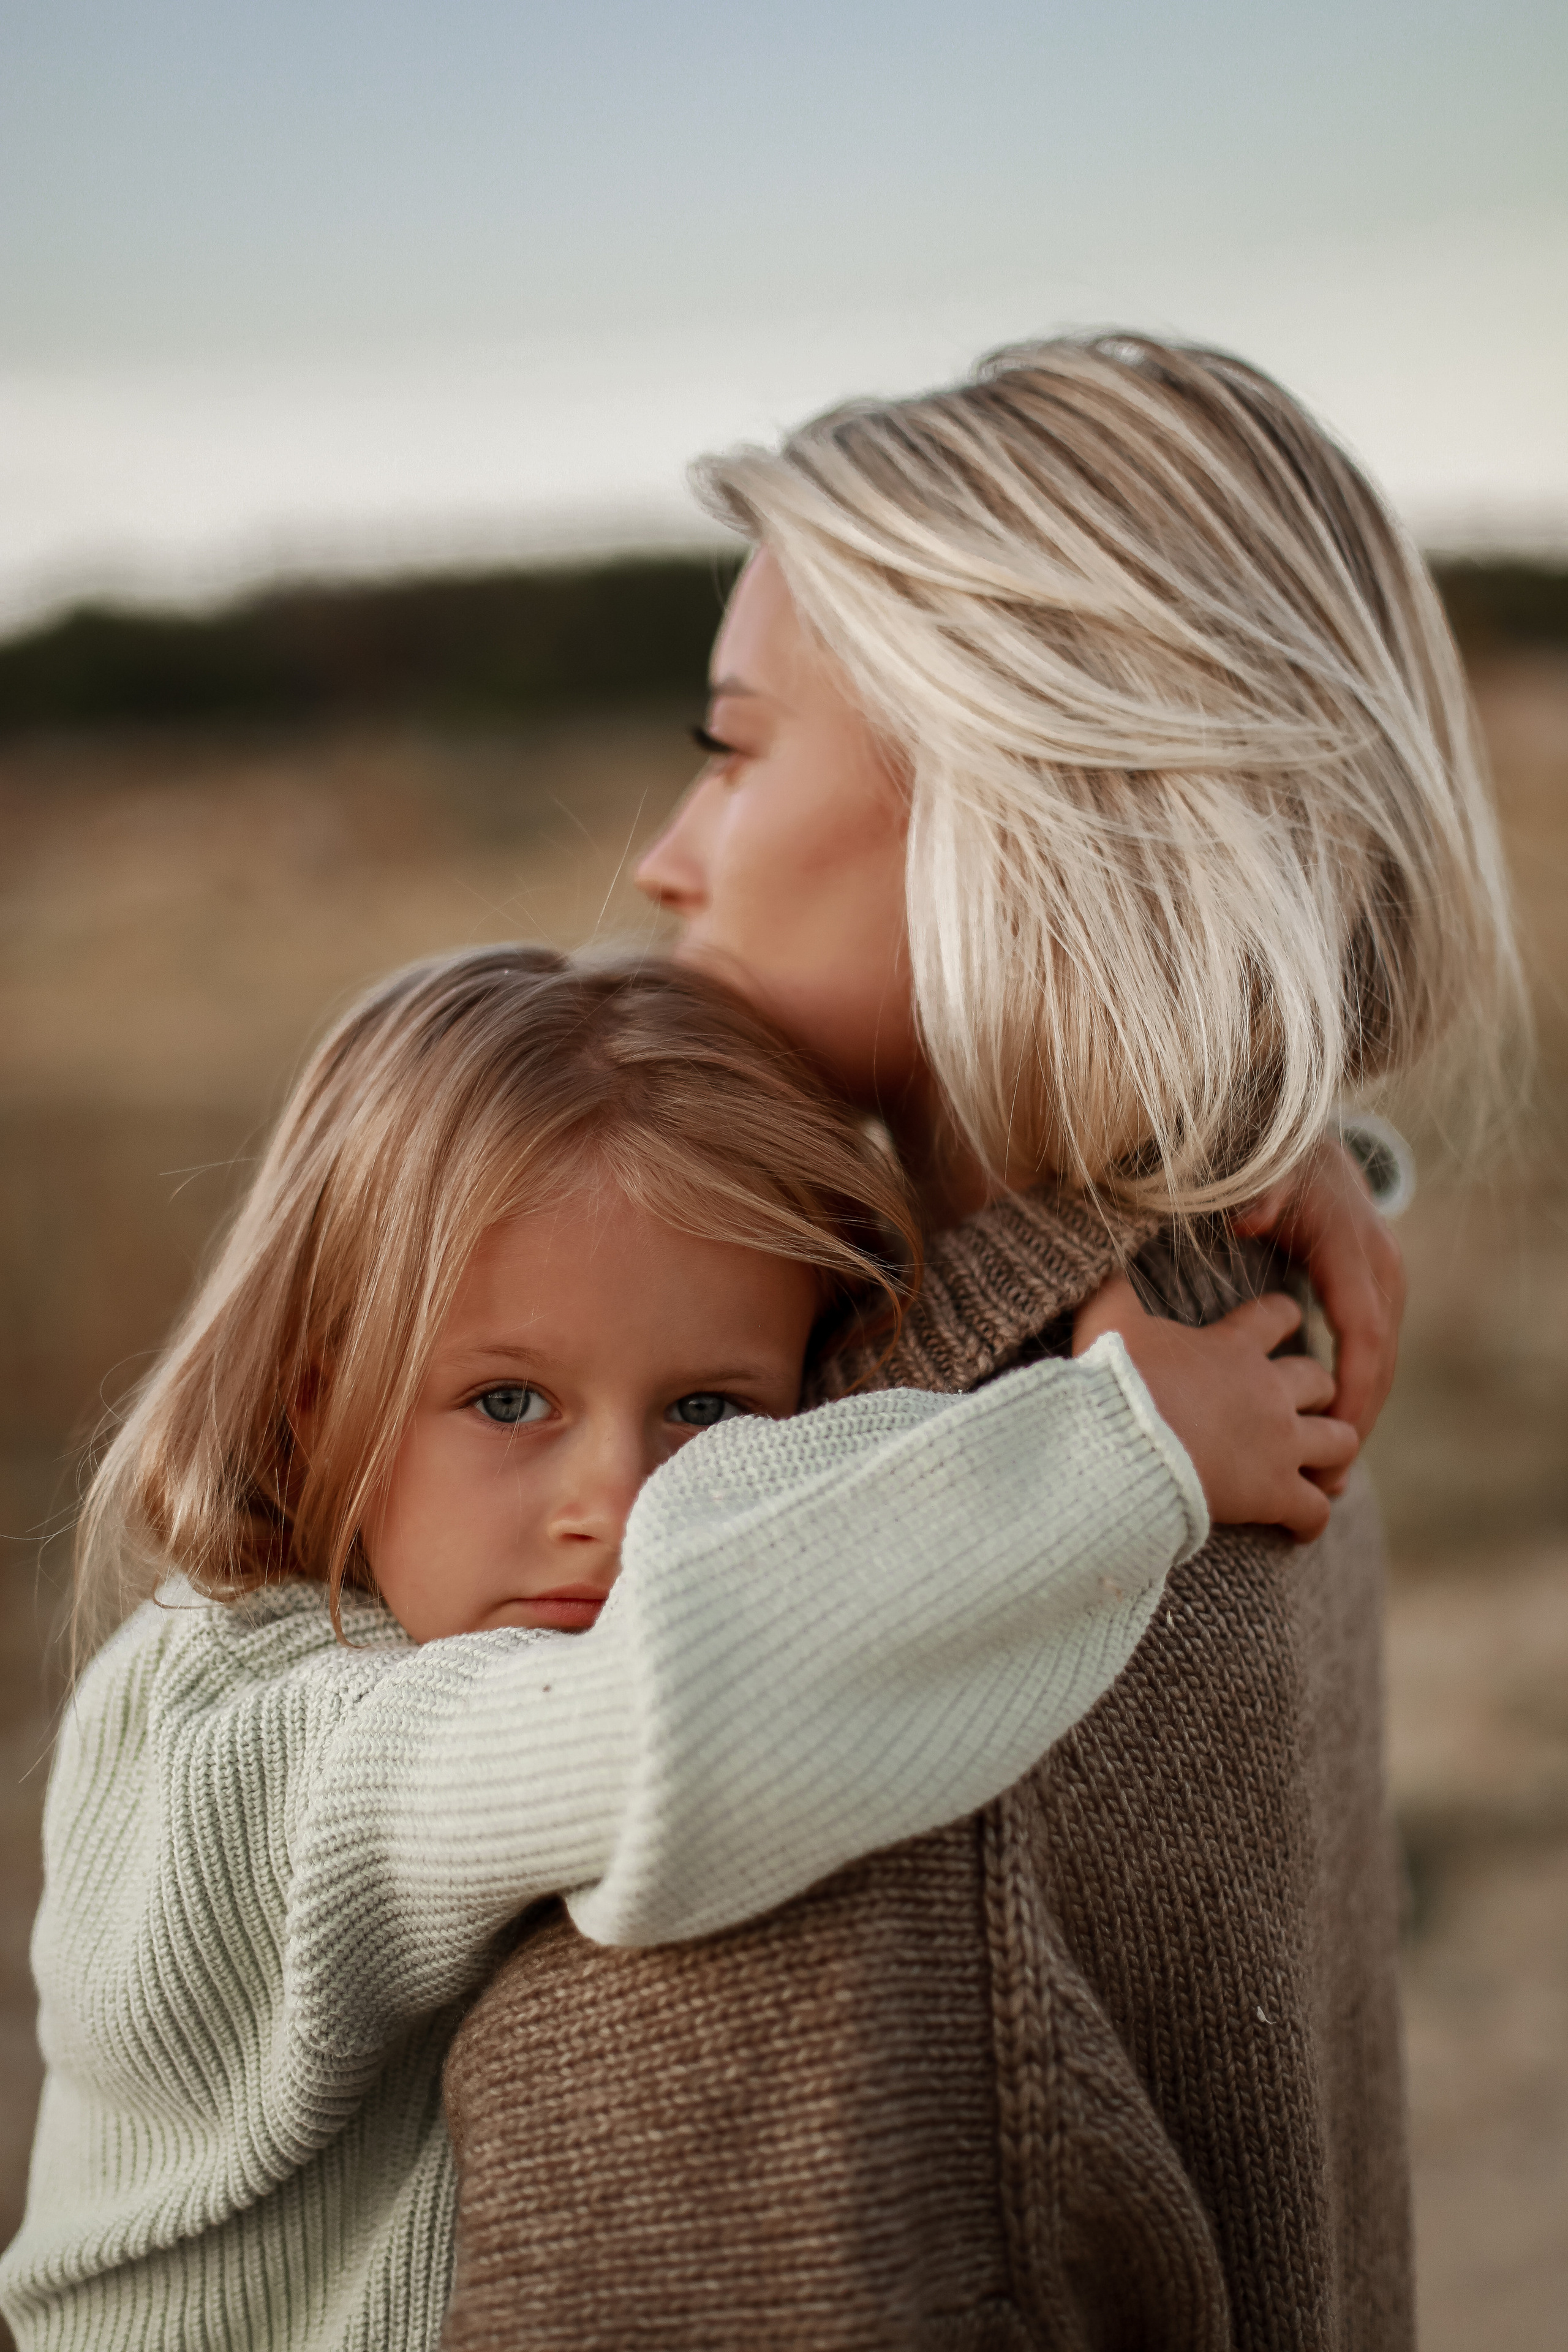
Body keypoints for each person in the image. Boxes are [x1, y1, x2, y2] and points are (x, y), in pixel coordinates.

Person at [437, 337, 1520, 2350]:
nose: (668, 856)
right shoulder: (1228, 1360)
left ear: (1021, 799)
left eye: (735, 746)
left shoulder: (902, 1648)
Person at [0, 947, 1355, 2352]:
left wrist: (1250, 1179)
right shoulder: (252, 1747)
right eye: (509, 1400)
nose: (619, 1505)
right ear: (312, 1404)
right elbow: (675, 1716)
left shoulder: (447, 1607)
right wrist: (1127, 1452)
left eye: (707, 1409)